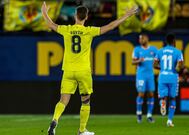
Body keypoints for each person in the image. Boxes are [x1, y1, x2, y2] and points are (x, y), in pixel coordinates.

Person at [41, 2, 138, 135]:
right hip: (83, 72)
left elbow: (50, 24)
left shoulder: (66, 29)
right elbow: (110, 26)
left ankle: (54, 121)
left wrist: (44, 12)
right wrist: (126, 16)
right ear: (86, 17)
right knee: (85, 102)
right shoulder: (89, 31)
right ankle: (81, 130)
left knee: (63, 100)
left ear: (75, 16)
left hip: (68, 71)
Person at [154, 33, 183, 127]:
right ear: (174, 41)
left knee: (163, 97)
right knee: (173, 98)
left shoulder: (160, 51)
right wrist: (177, 68)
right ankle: (169, 121)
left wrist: (162, 67)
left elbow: (154, 65)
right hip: (173, 77)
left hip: (162, 76)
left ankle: (162, 102)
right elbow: (180, 66)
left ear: (166, 42)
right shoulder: (178, 52)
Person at [132, 34, 158, 123]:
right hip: (141, 75)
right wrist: (139, 60)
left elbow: (158, 59)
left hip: (150, 75)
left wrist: (157, 64)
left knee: (151, 94)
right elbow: (133, 61)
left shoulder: (153, 49)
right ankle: (139, 113)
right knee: (141, 94)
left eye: (142, 38)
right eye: (139, 39)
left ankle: (149, 115)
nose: (140, 40)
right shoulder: (137, 49)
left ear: (147, 38)